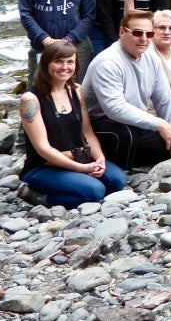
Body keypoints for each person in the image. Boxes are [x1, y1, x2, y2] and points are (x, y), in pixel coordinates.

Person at [18, 42, 127, 208]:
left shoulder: (77, 90)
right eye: (58, 61)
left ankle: (75, 182)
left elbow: (87, 132)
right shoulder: (31, 99)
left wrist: (99, 158)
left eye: (70, 62)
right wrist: (80, 169)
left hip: (77, 157)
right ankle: (36, 196)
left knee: (117, 182)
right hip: (44, 165)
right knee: (94, 192)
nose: (65, 67)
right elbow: (42, 148)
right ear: (46, 63)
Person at [83, 10, 171, 168]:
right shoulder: (107, 62)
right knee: (127, 136)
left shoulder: (151, 58)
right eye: (138, 33)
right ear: (122, 32)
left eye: (149, 34)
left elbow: (164, 101)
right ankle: (116, 167)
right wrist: (160, 125)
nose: (144, 39)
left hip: (134, 122)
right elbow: (114, 108)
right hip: (102, 123)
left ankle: (140, 162)